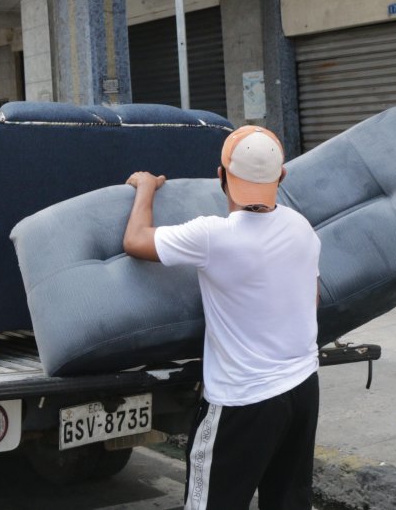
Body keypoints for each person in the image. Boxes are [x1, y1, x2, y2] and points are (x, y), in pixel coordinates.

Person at [122, 125, 321, 510]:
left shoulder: (213, 236)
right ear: (281, 176)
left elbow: (135, 241)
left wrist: (146, 187)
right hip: (302, 387)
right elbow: (310, 299)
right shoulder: (301, 227)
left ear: (221, 176)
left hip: (242, 401)